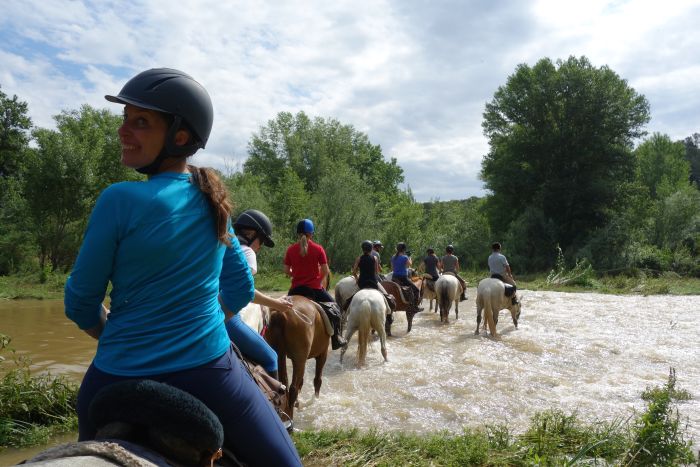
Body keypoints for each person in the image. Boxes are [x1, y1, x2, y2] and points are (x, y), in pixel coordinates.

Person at [63, 68, 301, 466]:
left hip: (112, 374)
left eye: (140, 122)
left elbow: (80, 301)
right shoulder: (212, 201)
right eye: (125, 120)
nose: (124, 131)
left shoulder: (117, 200)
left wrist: (114, 339)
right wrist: (206, 320)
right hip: (208, 372)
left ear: (180, 136)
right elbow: (241, 290)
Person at [228, 209, 293, 380]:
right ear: (251, 234)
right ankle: (277, 407)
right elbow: (243, 290)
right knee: (272, 357)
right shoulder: (247, 252)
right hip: (226, 317)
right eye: (262, 241)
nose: (260, 246)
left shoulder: (220, 244)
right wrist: (277, 304)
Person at [283, 218, 347, 350]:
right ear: (311, 234)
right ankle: (337, 339)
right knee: (335, 308)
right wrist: (317, 281)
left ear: (298, 233)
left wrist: (295, 274)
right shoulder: (318, 249)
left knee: (277, 309)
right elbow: (325, 270)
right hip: (314, 289)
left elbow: (286, 270)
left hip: (295, 290)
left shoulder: (290, 250)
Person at [351, 240, 396, 310]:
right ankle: (389, 313)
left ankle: (345, 314)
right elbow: (377, 272)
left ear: (362, 249)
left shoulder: (359, 258)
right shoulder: (375, 258)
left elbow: (354, 272)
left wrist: (357, 279)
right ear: (371, 248)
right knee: (387, 296)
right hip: (373, 283)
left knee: (350, 299)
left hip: (362, 283)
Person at [390, 242, 422, 310]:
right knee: (416, 290)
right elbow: (409, 265)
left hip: (394, 278)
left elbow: (392, 268)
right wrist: (410, 258)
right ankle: (415, 307)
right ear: (404, 249)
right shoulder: (405, 257)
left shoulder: (393, 257)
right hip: (403, 278)